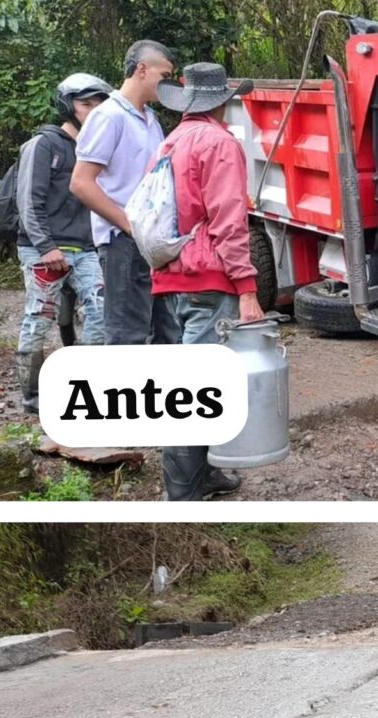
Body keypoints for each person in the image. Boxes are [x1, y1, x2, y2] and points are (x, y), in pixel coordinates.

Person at [151, 62, 265, 500]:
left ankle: (206, 472)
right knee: (195, 394)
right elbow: (228, 223)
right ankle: (181, 500)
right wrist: (248, 291)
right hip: (208, 278)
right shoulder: (219, 143)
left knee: (195, 381)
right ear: (225, 101)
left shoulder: (172, 141)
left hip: (173, 275)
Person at [70, 39, 180, 346]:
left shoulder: (150, 119)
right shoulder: (109, 116)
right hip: (122, 242)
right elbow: (81, 182)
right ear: (142, 70)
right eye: (165, 75)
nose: (167, 84)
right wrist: (128, 225)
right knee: (126, 335)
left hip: (149, 241)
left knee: (167, 331)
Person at [15, 73, 111, 413]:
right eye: (86, 104)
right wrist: (46, 247)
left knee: (101, 314)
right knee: (38, 318)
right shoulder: (44, 145)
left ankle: (80, 389)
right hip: (44, 248)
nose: (94, 110)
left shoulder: (92, 149)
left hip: (85, 249)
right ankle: (32, 397)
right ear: (67, 106)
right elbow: (28, 201)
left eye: (100, 104)